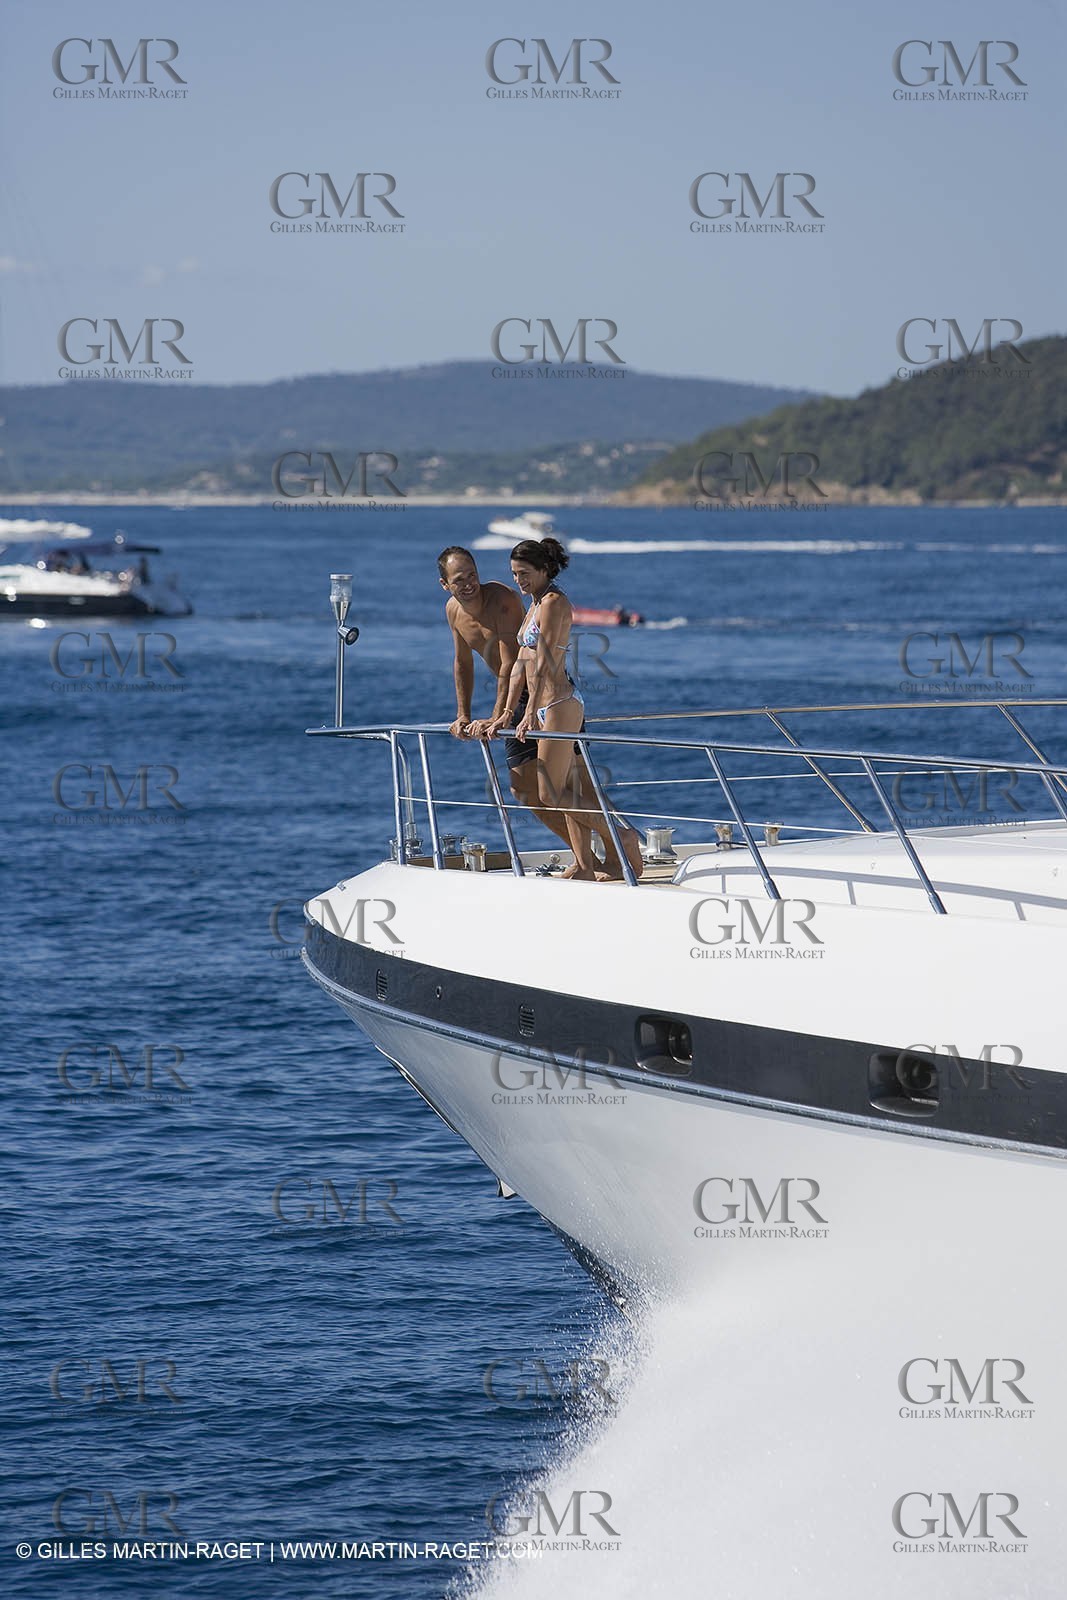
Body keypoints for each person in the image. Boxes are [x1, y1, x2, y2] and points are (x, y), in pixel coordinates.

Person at [485, 538, 643, 882]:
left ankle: (623, 837)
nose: (518, 580)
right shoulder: (534, 604)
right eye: (514, 574)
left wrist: (529, 714)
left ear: (544, 570)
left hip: (558, 703)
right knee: (570, 791)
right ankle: (587, 866)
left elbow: (545, 662)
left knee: (550, 792)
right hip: (540, 707)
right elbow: (520, 664)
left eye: (524, 573)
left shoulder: (554, 603)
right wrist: (508, 712)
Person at [439, 544, 587, 857]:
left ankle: (614, 846)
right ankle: (586, 854)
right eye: (458, 580)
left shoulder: (503, 600)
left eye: (472, 575)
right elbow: (462, 662)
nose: (468, 584)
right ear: (445, 585)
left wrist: (497, 717)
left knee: (564, 789)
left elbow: (511, 663)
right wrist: (462, 715)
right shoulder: (453, 610)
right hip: (518, 702)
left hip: (540, 697)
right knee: (524, 790)